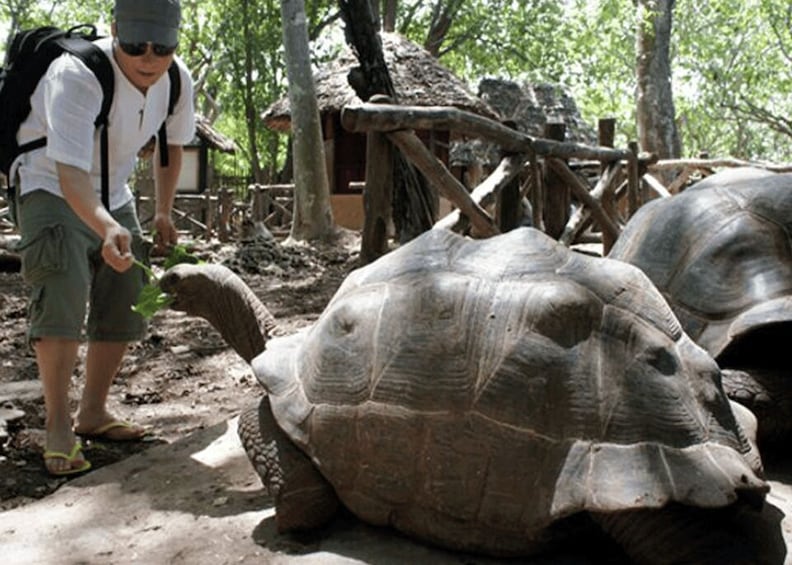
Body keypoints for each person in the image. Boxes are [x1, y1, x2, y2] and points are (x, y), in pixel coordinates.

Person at [10, 0, 195, 475]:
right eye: (135, 44)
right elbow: (70, 175)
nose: (149, 58)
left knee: (129, 291)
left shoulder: (176, 80)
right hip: (48, 181)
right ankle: (57, 424)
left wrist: (163, 212)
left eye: (163, 47)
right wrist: (107, 227)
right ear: (115, 30)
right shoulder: (77, 74)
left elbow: (172, 148)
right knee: (64, 289)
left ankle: (92, 411)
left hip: (114, 189)